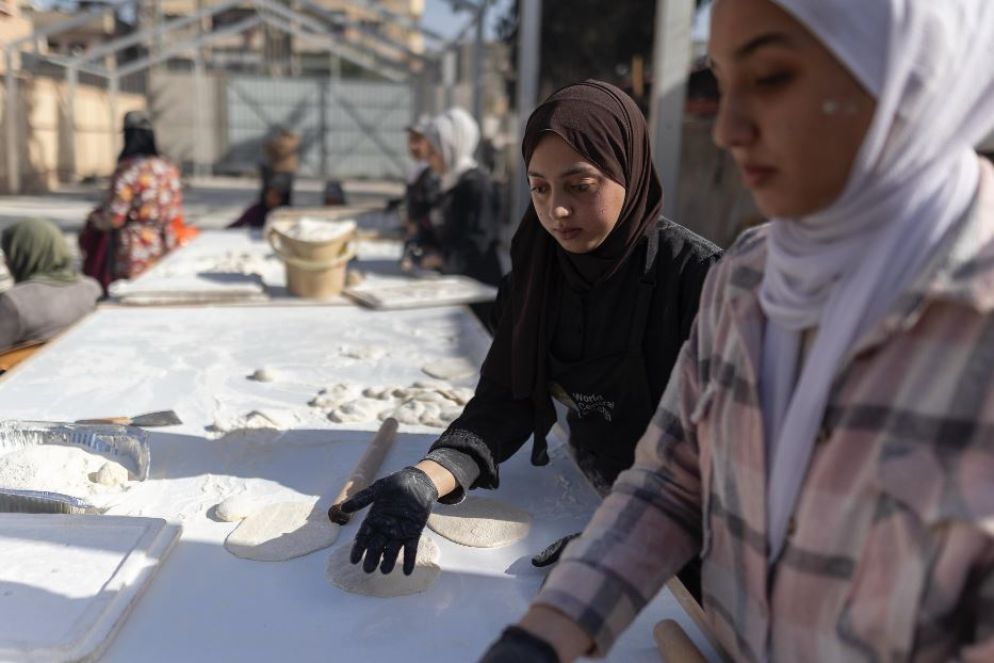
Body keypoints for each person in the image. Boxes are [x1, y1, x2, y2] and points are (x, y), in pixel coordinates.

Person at [479, 1, 994, 661]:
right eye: (721, 82)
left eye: (773, 77)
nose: (726, 129)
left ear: (911, 71)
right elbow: (673, 477)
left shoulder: (971, 321)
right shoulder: (751, 279)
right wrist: (549, 629)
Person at [339, 82, 722, 592]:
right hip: (593, 485)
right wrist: (430, 474)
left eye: (579, 186)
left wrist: (633, 535)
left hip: (694, 540)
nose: (555, 211)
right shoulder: (539, 272)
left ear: (628, 171)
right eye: (539, 187)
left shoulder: (702, 283)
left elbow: (739, 464)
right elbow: (507, 399)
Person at [79, 111, 183, 289]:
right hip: (166, 244)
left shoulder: (128, 170)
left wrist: (94, 220)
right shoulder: (168, 168)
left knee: (133, 297)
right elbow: (175, 210)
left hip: (135, 250)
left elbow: (115, 217)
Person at [419, 107, 504, 288]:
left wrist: (443, 260)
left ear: (451, 148)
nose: (428, 159)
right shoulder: (447, 182)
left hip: (478, 288)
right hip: (453, 282)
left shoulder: (477, 186)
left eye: (433, 152)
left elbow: (479, 243)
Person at [0, 218, 101, 352]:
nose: (6, 262)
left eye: (9, 254)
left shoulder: (14, 301)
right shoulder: (91, 289)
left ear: (23, 254)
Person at [400, 117, 442, 271]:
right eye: (411, 139)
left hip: (430, 248)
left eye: (418, 139)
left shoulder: (432, 174)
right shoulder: (416, 170)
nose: (413, 145)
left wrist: (418, 225)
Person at [227, 173, 293, 230]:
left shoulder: (286, 214)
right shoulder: (255, 210)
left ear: (282, 198)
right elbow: (238, 223)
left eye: (275, 196)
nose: (271, 199)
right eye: (269, 195)